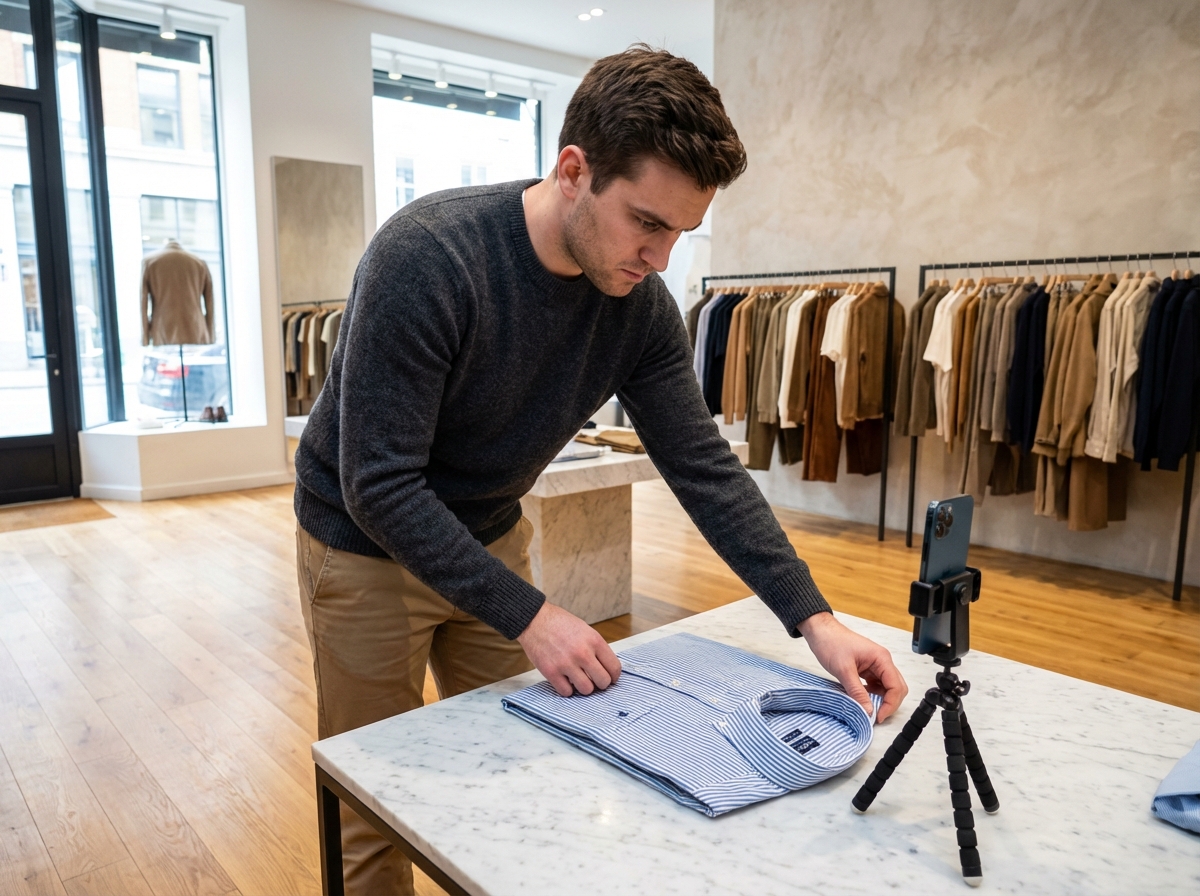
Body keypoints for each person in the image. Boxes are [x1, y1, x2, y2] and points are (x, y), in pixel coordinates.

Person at [294, 45, 909, 896]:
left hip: (491, 532)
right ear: (574, 170)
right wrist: (535, 616)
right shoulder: (428, 256)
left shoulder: (640, 309)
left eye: (681, 234)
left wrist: (815, 619)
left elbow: (704, 469)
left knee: (522, 769)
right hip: (362, 550)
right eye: (646, 222)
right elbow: (380, 483)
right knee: (376, 810)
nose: (659, 257)